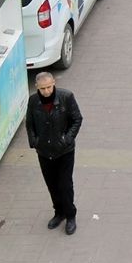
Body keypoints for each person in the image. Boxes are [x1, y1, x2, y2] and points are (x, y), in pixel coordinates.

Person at [25, 72, 82, 234]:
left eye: (49, 87)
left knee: (65, 185)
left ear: (54, 83)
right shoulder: (33, 101)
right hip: (44, 152)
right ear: (37, 87)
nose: (47, 91)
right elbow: (29, 123)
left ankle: (70, 215)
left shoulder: (66, 97)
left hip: (64, 151)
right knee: (52, 185)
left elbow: (77, 119)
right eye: (42, 88)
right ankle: (59, 212)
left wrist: (67, 139)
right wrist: (34, 142)